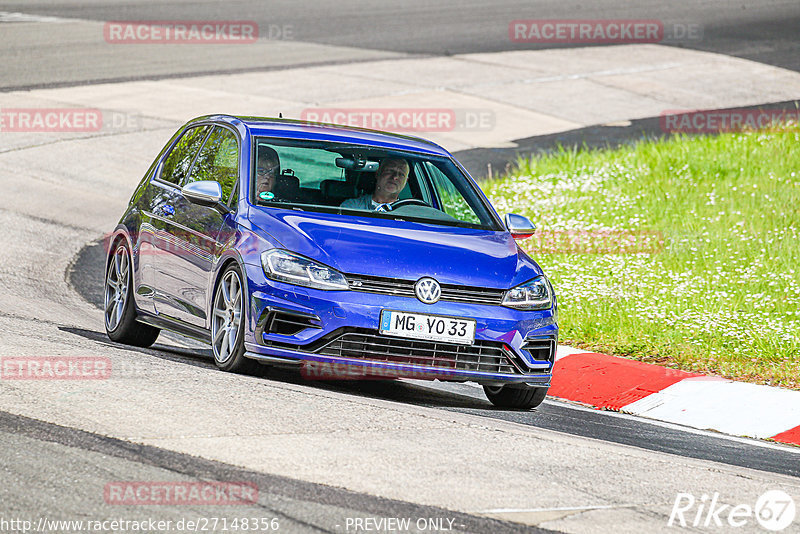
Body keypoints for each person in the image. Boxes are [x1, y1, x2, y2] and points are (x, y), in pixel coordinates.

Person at [341, 157, 409, 211]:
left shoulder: (408, 213)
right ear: (377, 174)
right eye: (390, 171)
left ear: (406, 181)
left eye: (401, 174)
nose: (395, 177)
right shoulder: (352, 207)